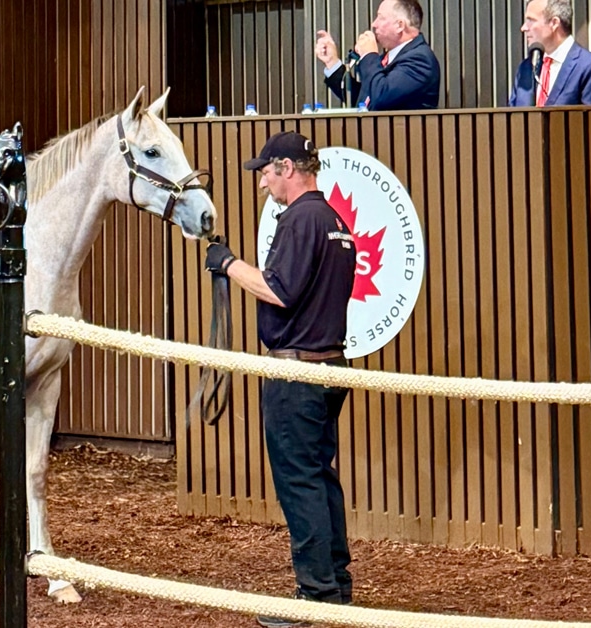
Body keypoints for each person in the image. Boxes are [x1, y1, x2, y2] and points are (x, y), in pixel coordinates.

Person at [203, 132, 356, 628]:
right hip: (330, 364)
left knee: (299, 482)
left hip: (297, 370)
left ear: (288, 167)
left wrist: (228, 263)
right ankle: (335, 587)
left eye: (266, 171)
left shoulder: (300, 219)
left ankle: (315, 595)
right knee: (320, 476)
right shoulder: (334, 220)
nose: (263, 181)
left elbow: (279, 289)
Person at [314, 0, 440, 111]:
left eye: (381, 18)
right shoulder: (387, 58)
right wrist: (332, 63)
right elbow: (366, 101)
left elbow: (381, 96)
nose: (374, 24)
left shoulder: (420, 60)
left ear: (400, 25)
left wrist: (369, 55)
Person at [507, 0, 591, 106]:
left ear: (554, 23)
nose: (524, 28)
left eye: (531, 20)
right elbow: (511, 118)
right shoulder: (526, 68)